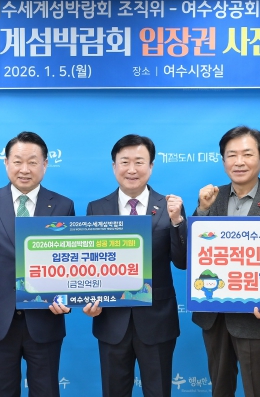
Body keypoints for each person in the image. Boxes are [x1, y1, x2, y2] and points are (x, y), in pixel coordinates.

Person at [0, 131, 74, 397]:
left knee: (46, 391)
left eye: (33, 162)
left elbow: (70, 261)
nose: (24, 169)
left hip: (45, 316)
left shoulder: (63, 205)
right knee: (1, 391)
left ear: (45, 164)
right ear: (6, 163)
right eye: (17, 161)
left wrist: (66, 297)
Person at [192, 126, 260, 397]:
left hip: (256, 315)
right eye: (231, 155)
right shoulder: (210, 199)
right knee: (220, 389)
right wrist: (202, 210)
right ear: (223, 160)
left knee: (258, 390)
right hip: (214, 315)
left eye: (247, 154)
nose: (239, 162)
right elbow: (192, 251)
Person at [82, 134, 187, 397]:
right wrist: (88, 297)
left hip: (157, 321)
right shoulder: (96, 208)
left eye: (139, 162)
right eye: (124, 162)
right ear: (114, 166)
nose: (132, 169)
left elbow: (182, 262)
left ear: (151, 166)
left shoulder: (169, 207)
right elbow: (89, 263)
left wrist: (177, 222)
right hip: (110, 322)